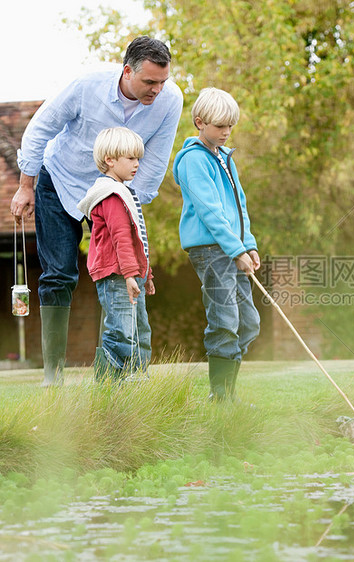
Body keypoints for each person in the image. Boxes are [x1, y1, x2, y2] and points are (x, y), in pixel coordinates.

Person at [10, 36, 183, 386]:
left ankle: (117, 370)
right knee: (59, 273)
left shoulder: (169, 100)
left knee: (120, 271)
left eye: (162, 82)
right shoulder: (86, 87)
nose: (157, 90)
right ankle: (53, 374)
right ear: (127, 71)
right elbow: (40, 129)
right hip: (59, 181)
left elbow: (156, 158)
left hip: (112, 190)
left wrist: (129, 203)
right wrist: (26, 185)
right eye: (149, 82)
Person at [173, 87, 260, 401]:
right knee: (224, 320)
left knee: (249, 322)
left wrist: (247, 244)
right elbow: (210, 211)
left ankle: (225, 393)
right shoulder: (192, 161)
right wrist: (235, 251)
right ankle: (222, 398)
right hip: (211, 250)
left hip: (233, 248)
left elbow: (239, 205)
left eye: (230, 127)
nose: (226, 132)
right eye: (220, 126)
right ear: (200, 122)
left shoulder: (225, 158)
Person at [77, 127, 153, 381]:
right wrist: (132, 274)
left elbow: (137, 238)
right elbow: (120, 237)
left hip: (131, 274)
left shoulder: (125, 192)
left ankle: (137, 381)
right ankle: (109, 388)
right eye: (130, 158)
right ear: (110, 160)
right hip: (117, 275)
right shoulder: (110, 195)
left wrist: (146, 273)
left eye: (138, 158)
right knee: (121, 331)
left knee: (140, 330)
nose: (137, 164)